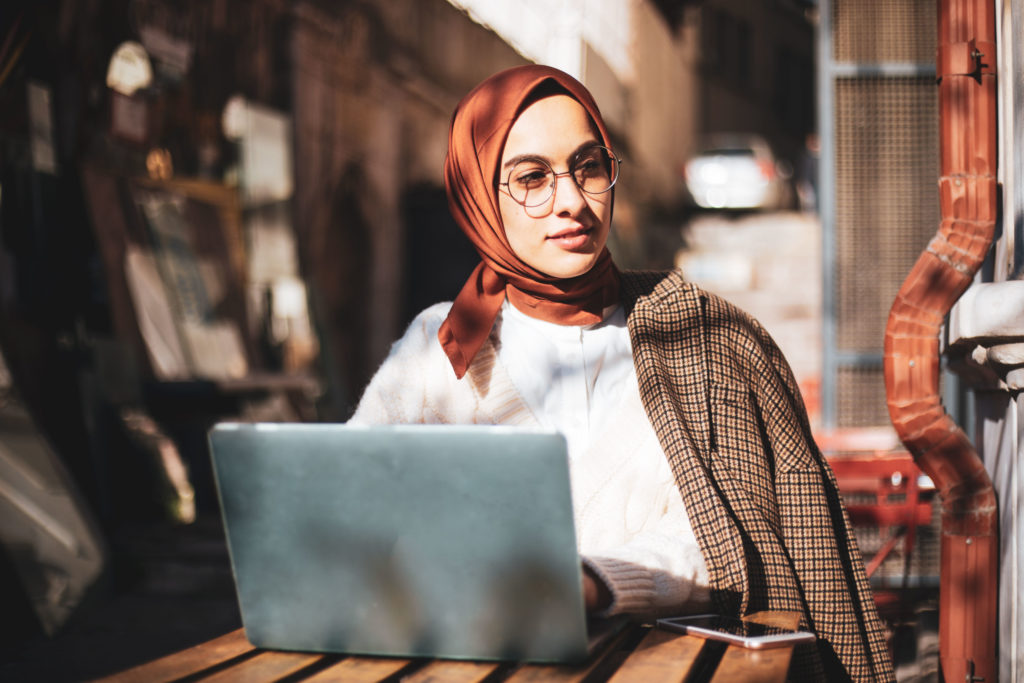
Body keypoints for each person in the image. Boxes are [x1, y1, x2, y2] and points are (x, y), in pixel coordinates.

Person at [350, 65, 894, 682]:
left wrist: (590, 583)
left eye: (588, 165)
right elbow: (348, 516)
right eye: (531, 177)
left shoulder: (706, 341)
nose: (574, 201)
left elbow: (732, 538)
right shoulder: (436, 348)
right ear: (478, 194)